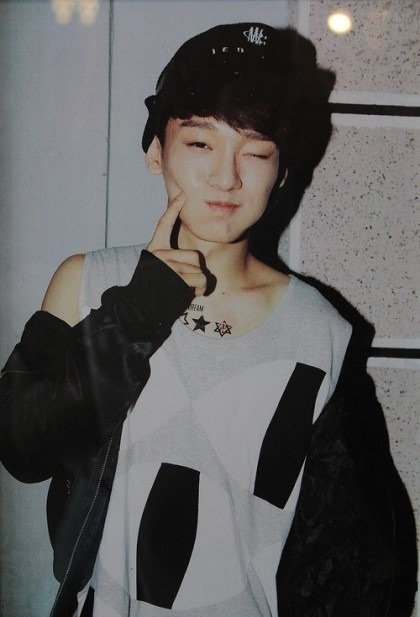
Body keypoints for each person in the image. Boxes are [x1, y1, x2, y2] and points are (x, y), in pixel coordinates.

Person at [0, 23, 416, 617]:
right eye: (200, 143)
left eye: (257, 151)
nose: (227, 177)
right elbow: (22, 448)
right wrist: (136, 312)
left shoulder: (321, 333)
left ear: (284, 170)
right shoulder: (87, 283)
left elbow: (351, 567)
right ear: (155, 151)